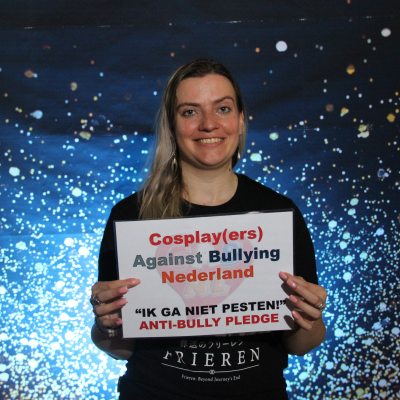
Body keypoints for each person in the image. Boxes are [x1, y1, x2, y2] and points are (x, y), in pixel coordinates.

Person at [90, 59, 327, 399]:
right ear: (172, 125)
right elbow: (120, 349)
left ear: (241, 120)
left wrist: (309, 316)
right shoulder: (131, 216)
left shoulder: (278, 214)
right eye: (190, 112)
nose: (208, 124)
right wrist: (106, 325)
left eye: (223, 109)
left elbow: (301, 344)